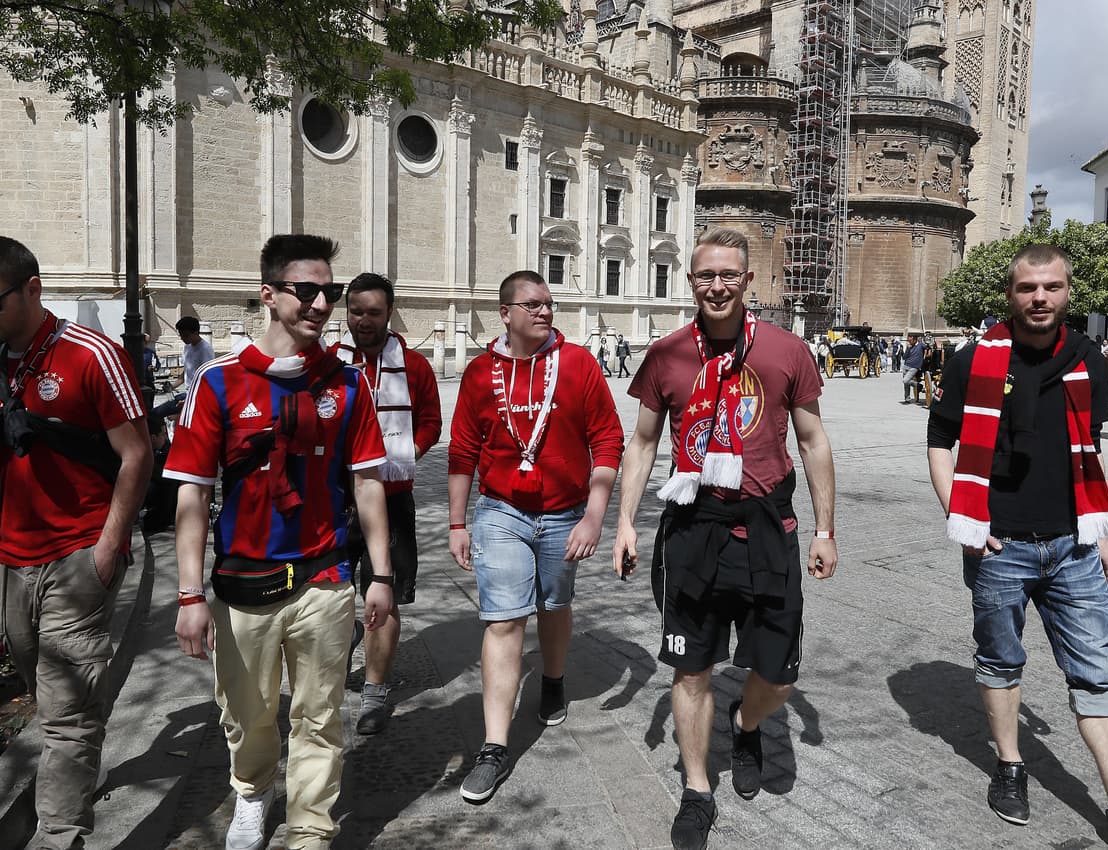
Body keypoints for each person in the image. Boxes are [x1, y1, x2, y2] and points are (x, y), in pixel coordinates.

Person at [611, 226, 837, 850]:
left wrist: (825, 529)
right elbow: (643, 442)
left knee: (780, 675)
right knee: (691, 670)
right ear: (691, 280)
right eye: (705, 275)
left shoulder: (787, 352)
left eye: (728, 275)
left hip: (768, 528)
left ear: (747, 280)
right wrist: (626, 521)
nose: (717, 286)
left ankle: (746, 721)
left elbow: (814, 441)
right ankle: (695, 790)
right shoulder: (667, 355)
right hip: (694, 528)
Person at [166, 234, 393, 850]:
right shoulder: (216, 384)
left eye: (331, 292)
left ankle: (310, 828)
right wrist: (189, 596)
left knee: (320, 716)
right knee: (247, 716)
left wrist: (381, 574)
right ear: (269, 295)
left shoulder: (347, 384)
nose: (322, 304)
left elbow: (368, 484)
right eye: (307, 291)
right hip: (245, 581)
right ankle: (252, 789)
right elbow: (190, 497)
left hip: (324, 576)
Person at [927, 243, 1108, 848]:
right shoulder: (973, 359)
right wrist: (963, 517)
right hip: (1000, 548)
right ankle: (1010, 766)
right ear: (1010, 294)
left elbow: (1088, 452)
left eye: (1051, 287)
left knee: (1098, 673)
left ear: (1067, 292)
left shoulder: (1086, 360)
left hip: (1074, 545)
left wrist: (1099, 528)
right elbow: (940, 439)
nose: (1040, 298)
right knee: (1001, 661)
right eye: (1028, 288)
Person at [0, 235, 152, 850]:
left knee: (65, 715)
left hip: (78, 555)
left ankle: (60, 835)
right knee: (47, 694)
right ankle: (77, 758)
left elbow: (137, 452)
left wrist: (109, 545)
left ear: (32, 289)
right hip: (6, 557)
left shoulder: (92, 354)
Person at [448, 270, 623, 804]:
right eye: (533, 304)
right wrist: (457, 522)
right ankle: (494, 747)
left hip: (565, 512)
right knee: (503, 619)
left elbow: (608, 439)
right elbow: (462, 452)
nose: (545, 312)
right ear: (506, 313)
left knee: (553, 603)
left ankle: (551, 678)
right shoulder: (481, 372)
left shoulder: (578, 365)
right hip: (501, 511)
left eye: (549, 304)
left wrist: (595, 516)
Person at [330, 272, 442, 735]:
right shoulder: (326, 363)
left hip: (392, 498)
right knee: (328, 592)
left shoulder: (413, 366)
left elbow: (432, 421)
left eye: (374, 312)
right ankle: (341, 641)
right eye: (356, 311)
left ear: (389, 313)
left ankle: (375, 691)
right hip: (335, 498)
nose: (364, 321)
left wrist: (404, 454)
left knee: (386, 595)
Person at [901, 333, 926, 403]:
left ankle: (918, 385)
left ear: (915, 340)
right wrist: (908, 349)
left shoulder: (921, 345)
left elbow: (927, 346)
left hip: (914, 367)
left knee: (905, 380)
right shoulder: (909, 347)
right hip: (906, 365)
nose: (909, 342)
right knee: (906, 384)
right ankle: (907, 398)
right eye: (908, 340)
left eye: (910, 340)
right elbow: (904, 357)